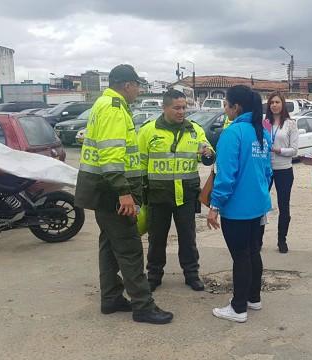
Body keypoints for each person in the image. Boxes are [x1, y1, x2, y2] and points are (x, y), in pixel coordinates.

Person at [75, 64, 173, 325]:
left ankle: (110, 298)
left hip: (100, 188)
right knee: (130, 249)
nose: (138, 91)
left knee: (109, 246)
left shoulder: (102, 104)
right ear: (127, 85)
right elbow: (111, 155)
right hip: (112, 191)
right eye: (137, 85)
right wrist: (124, 193)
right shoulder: (114, 109)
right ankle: (143, 305)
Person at [138, 89, 215, 292]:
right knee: (156, 239)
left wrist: (207, 153)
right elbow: (138, 164)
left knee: (188, 238)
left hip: (186, 196)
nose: (182, 112)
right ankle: (154, 275)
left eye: (184, 107)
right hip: (157, 195)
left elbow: (207, 155)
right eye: (177, 108)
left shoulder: (195, 130)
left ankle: (191, 274)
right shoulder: (148, 131)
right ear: (164, 108)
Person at [207, 85, 272, 323]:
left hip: (237, 208)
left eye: (226, 105)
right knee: (253, 251)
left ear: (237, 107)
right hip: (257, 205)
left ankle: (238, 308)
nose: (225, 109)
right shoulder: (262, 132)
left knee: (241, 256)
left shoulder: (232, 134)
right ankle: (253, 298)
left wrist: (215, 206)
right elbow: (267, 172)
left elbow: (226, 176)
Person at [265, 92, 299, 253]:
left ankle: (282, 240)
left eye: (277, 102)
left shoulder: (290, 124)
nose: (274, 105)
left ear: (283, 104)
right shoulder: (265, 123)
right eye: (271, 102)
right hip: (266, 170)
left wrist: (279, 150)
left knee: (283, 207)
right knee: (261, 205)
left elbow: (294, 150)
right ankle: (257, 239)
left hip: (284, 169)